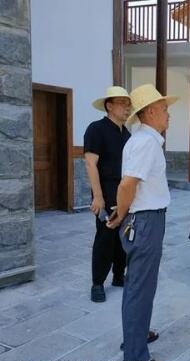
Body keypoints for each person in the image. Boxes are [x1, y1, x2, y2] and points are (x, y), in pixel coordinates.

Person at [106, 83, 178, 361]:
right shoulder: (146, 143)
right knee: (140, 287)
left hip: (147, 219)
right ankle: (136, 355)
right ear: (150, 112)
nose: (168, 114)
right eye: (164, 109)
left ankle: (136, 334)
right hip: (145, 221)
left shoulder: (142, 139)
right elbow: (127, 185)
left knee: (140, 285)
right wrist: (121, 214)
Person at [84, 86, 131, 302]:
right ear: (109, 106)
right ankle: (97, 283)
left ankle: (119, 276)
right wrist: (98, 196)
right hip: (106, 192)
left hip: (125, 193)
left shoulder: (128, 134)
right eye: (122, 103)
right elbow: (91, 164)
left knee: (124, 236)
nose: (127, 107)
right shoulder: (96, 129)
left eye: (128, 103)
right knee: (105, 238)